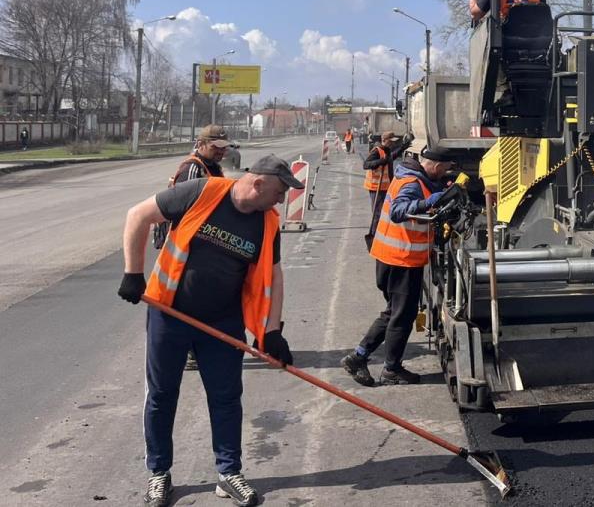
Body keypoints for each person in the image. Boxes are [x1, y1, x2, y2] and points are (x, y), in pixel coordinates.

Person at [118, 155, 302, 507]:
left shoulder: (267, 222)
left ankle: (228, 473)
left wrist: (273, 330)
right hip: (170, 314)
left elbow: (274, 275)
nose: (281, 199)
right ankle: (159, 473)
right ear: (258, 183)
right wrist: (133, 273)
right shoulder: (201, 192)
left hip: (222, 322)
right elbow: (137, 215)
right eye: (280, 191)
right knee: (162, 395)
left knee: (226, 397)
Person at [341, 144, 456, 386]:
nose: (445, 173)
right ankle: (391, 369)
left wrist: (442, 193)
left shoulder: (416, 178)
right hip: (400, 260)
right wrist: (428, 202)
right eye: (444, 169)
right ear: (436, 166)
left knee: (394, 312)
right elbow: (398, 211)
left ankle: (358, 357)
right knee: (402, 316)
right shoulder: (411, 183)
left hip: (394, 258)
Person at [362, 131, 413, 251]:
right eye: (391, 141)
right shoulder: (377, 151)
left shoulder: (387, 150)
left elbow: (391, 158)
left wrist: (402, 148)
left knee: (384, 214)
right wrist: (380, 162)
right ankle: (375, 238)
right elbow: (366, 164)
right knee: (378, 214)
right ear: (385, 140)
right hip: (376, 188)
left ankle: (381, 237)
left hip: (385, 187)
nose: (392, 144)